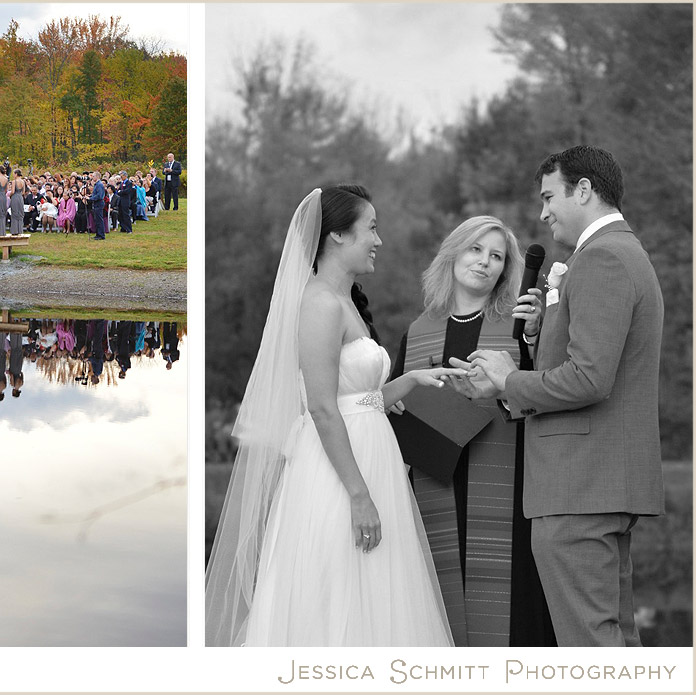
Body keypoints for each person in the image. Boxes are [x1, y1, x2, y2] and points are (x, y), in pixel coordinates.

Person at [205, 185, 464, 647]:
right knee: (336, 587)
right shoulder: (320, 303)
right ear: (338, 236)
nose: (379, 240)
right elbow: (323, 409)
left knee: (377, 588)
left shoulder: (346, 302)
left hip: (369, 458)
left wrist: (410, 383)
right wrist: (360, 496)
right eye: (372, 228)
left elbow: (356, 398)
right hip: (339, 474)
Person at [452, 146, 665, 647]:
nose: (544, 211)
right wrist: (536, 338)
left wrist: (508, 380)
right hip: (598, 483)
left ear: (584, 190)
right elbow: (591, 364)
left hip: (579, 485)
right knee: (614, 644)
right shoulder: (620, 253)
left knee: (588, 649)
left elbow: (590, 379)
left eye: (550, 196)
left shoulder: (603, 258)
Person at [389, 216, 555, 647]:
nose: (484, 262)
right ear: (453, 254)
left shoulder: (519, 330)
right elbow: (392, 409)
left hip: (506, 489)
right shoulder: (418, 332)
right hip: (432, 481)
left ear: (505, 270)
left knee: (509, 620)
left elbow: (546, 401)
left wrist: (503, 389)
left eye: (496, 256)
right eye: (475, 250)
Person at [88, 171, 105, 240]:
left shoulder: (99, 185)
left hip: (99, 204)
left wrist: (90, 198)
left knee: (99, 220)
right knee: (96, 220)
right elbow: (96, 194)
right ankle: (98, 234)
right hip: (96, 204)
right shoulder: (96, 184)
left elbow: (99, 196)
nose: (92, 178)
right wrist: (90, 196)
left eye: (93, 176)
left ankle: (101, 235)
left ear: (97, 177)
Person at [9, 169, 26, 236]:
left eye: (13, 174)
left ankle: (15, 230)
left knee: (15, 212)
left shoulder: (14, 181)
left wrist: (9, 195)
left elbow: (12, 191)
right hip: (20, 197)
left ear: (16, 174)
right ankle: (20, 229)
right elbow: (23, 192)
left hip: (15, 197)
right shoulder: (23, 181)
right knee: (20, 212)